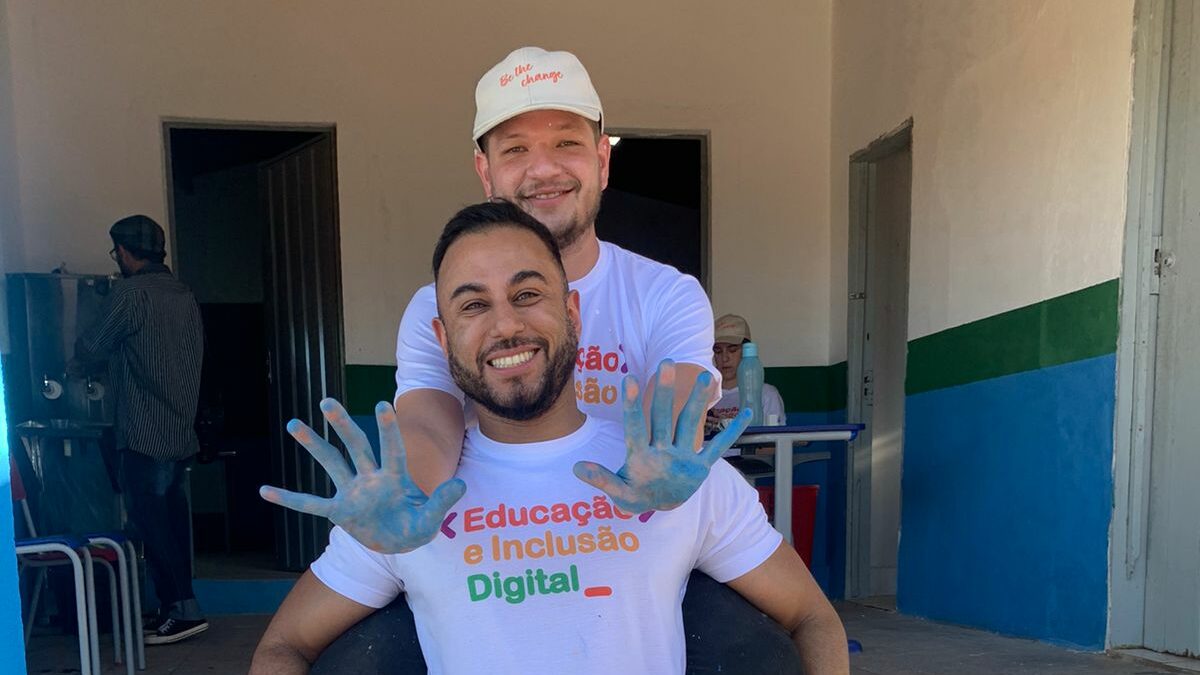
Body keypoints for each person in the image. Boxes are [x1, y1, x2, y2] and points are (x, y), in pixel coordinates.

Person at [251, 202, 849, 674]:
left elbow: (813, 620)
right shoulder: (402, 505)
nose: (505, 324)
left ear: (574, 313)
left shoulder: (671, 473)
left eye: (527, 294)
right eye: (473, 306)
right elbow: (285, 647)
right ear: (441, 337)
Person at [394, 46, 719, 497]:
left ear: (602, 161)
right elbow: (427, 426)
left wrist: (658, 461)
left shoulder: (666, 294)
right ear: (485, 173)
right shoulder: (437, 307)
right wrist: (407, 496)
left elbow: (675, 403)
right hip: (489, 549)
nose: (544, 169)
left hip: (632, 535)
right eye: (516, 149)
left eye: (566, 143)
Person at [73, 215, 208, 644]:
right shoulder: (183, 294)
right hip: (180, 431)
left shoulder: (129, 294)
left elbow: (92, 345)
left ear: (126, 253)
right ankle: (181, 606)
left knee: (152, 526)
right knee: (172, 524)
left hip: (144, 433)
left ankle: (181, 612)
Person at [708, 313, 787, 433]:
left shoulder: (766, 395)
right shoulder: (704, 396)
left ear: (746, 350)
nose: (725, 358)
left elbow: (775, 445)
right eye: (718, 351)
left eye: (732, 350)